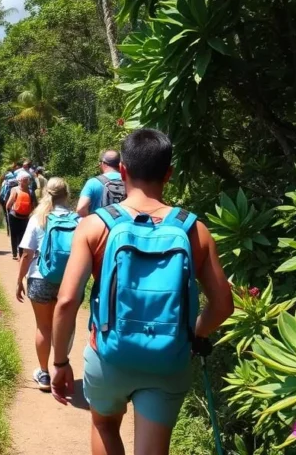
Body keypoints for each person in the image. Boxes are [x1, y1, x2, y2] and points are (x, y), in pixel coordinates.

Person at [50, 130, 234, 455]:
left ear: (122, 170)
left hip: (109, 356)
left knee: (104, 425)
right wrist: (191, 336)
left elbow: (66, 301)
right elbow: (222, 306)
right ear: (169, 174)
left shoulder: (95, 226)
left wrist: (61, 362)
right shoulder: (194, 229)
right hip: (168, 360)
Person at [16, 177, 74, 392]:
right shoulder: (77, 219)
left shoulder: (38, 218)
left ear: (45, 193)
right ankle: (61, 368)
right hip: (68, 280)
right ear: (66, 194)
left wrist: (19, 281)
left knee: (43, 326)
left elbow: (26, 254)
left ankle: (44, 374)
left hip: (39, 278)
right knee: (64, 327)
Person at [76, 150, 126, 217]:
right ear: (120, 164)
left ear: (103, 163)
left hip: (101, 225)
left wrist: (91, 220)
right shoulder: (129, 182)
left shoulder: (93, 182)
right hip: (124, 225)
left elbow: (81, 209)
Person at [4, 173, 34, 261]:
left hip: (14, 215)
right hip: (25, 217)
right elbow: (33, 205)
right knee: (22, 235)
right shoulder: (30, 191)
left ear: (19, 180)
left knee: (14, 234)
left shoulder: (14, 189)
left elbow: (9, 204)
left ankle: (14, 253)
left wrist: (8, 210)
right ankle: (20, 253)